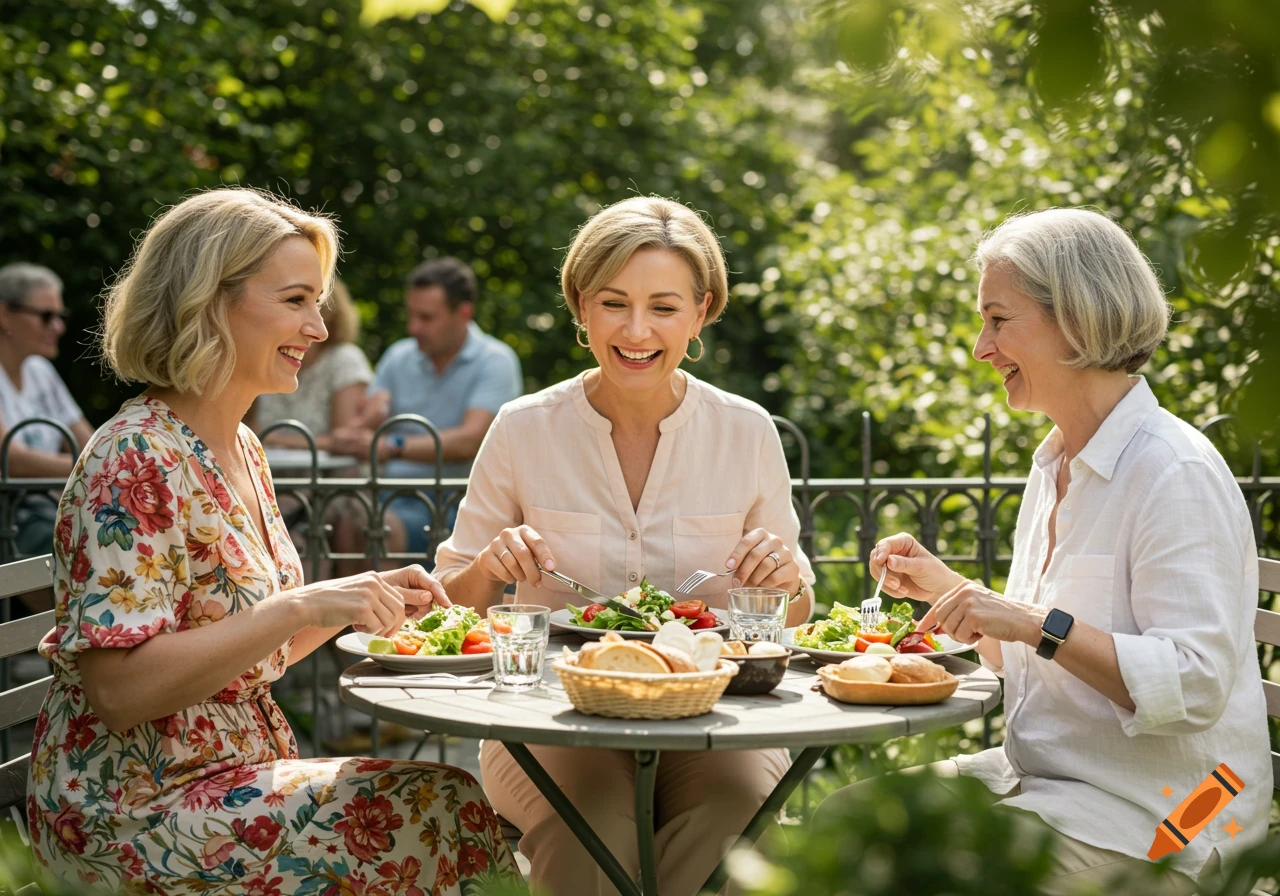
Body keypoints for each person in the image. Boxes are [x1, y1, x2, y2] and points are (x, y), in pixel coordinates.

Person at [27, 188, 520, 894]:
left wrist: (358, 603)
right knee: (437, 810)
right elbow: (119, 690)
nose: (319, 329)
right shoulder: (132, 458)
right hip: (131, 813)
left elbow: (249, 654)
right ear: (208, 302)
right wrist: (298, 606)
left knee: (448, 803)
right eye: (295, 301)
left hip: (224, 785)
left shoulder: (241, 447)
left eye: (316, 302)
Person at [817, 208, 1271, 894]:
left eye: (999, 320)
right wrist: (953, 592)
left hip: (1185, 816)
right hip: (1056, 787)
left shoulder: (1172, 472)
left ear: (1080, 321)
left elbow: (1195, 683)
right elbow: (1036, 657)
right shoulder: (1057, 461)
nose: (980, 347)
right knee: (836, 825)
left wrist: (1031, 621)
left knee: (920, 875)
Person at [434, 196, 816, 896]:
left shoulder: (747, 431)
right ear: (581, 307)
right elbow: (446, 608)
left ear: (701, 312)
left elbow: (793, 615)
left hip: (718, 714)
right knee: (594, 822)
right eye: (614, 303)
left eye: (664, 308)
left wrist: (784, 579)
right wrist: (491, 569)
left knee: (735, 817)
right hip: (550, 713)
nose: (637, 331)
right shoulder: (523, 429)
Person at [330, 257, 522, 559]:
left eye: (426, 317)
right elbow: (356, 433)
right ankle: (347, 607)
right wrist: (368, 418)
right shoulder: (398, 356)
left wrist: (392, 446)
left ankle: (389, 606)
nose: (413, 327)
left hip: (457, 502)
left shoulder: (496, 360)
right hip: (388, 495)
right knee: (341, 522)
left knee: (374, 527)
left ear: (464, 313)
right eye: (412, 315)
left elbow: (471, 440)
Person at [0, 263, 94, 558]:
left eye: (59, 316)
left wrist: (99, 464)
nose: (59, 327)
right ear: (3, 314)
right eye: (46, 316)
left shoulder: (41, 371)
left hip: (43, 506)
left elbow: (88, 444)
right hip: (12, 516)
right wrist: (96, 469)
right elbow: (10, 459)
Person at [250, 277, 374, 451]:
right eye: (295, 302)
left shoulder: (344, 360)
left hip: (327, 476)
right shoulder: (264, 353)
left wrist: (271, 439)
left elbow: (346, 442)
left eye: (317, 303)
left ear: (330, 316)